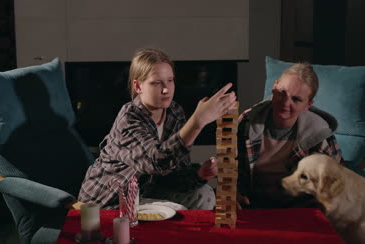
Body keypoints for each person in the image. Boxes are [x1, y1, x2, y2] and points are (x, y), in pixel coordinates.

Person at [78, 48, 237, 209]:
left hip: (146, 192)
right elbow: (156, 161)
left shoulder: (174, 114)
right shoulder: (129, 118)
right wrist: (198, 120)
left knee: (204, 193)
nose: (166, 90)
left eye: (170, 80)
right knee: (175, 210)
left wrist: (200, 174)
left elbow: (172, 174)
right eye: (156, 83)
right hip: (107, 202)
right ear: (138, 86)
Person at [237, 62, 344, 209]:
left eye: (296, 99)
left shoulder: (320, 134)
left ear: (308, 105)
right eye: (282, 92)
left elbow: (334, 185)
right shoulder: (247, 122)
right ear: (274, 87)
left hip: (299, 209)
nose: (285, 102)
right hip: (252, 205)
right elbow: (231, 169)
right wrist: (235, 194)